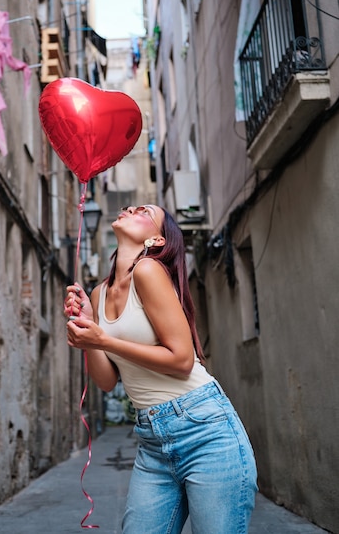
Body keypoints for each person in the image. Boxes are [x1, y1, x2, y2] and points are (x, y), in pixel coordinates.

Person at [64, 204, 258, 534]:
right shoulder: (98, 293)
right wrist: (89, 327)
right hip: (153, 444)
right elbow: (107, 381)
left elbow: (182, 361)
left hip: (205, 430)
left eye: (145, 211)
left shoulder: (149, 271)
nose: (131, 208)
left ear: (155, 239)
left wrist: (104, 341)